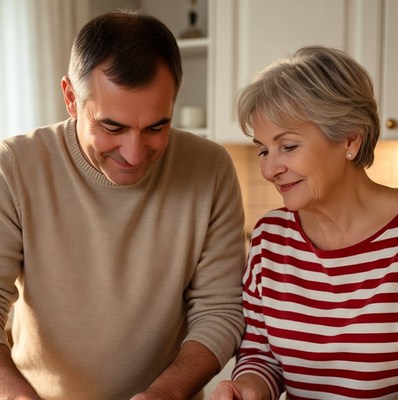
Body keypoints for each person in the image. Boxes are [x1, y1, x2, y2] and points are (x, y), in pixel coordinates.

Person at [0, 11, 246, 400]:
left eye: (156, 127)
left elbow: (220, 311)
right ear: (70, 98)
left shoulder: (210, 170)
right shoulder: (14, 166)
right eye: (112, 127)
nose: (133, 154)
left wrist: (164, 393)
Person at [210, 45, 398, 400]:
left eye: (289, 146)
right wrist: (247, 388)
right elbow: (262, 354)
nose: (269, 170)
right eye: (263, 149)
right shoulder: (271, 239)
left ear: (350, 139)